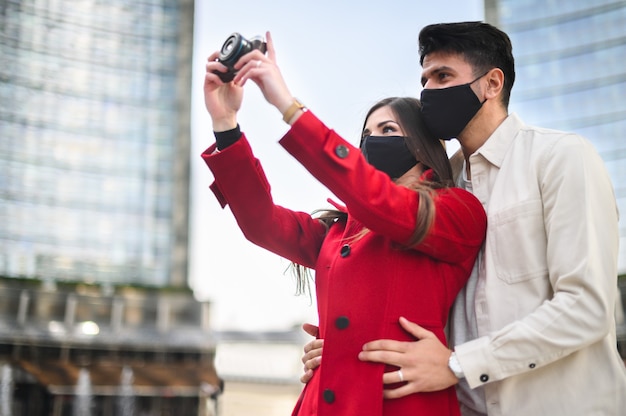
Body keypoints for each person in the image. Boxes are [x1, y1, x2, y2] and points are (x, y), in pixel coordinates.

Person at [302, 21, 626, 415]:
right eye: (425, 80)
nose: (428, 92)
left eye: (443, 76)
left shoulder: (561, 158)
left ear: (492, 84)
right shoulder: (438, 188)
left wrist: (460, 364)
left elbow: (585, 307)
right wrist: (345, 346)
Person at [201, 31, 487, 416]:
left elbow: (378, 202)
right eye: (366, 135)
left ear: (422, 145)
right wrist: (226, 122)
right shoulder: (337, 232)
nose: (372, 142)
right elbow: (262, 224)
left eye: (388, 131)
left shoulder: (457, 211)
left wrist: (286, 104)